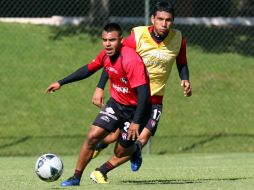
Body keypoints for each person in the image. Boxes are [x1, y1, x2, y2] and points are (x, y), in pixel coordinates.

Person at [89, 1, 192, 183]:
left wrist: (185, 79)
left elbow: (181, 62)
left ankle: (101, 171)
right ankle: (102, 143)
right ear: (153, 19)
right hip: (132, 98)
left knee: (141, 138)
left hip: (155, 99)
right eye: (160, 19)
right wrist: (100, 86)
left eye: (168, 20)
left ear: (173, 21)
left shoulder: (179, 39)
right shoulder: (138, 35)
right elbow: (113, 58)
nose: (164, 23)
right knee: (118, 135)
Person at [45, 23, 151, 186]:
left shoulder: (131, 60)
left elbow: (144, 95)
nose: (108, 44)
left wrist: (136, 122)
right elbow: (88, 69)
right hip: (116, 104)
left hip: (136, 110)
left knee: (121, 151)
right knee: (92, 136)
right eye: (104, 40)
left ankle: (135, 150)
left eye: (112, 40)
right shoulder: (106, 55)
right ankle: (76, 178)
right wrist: (61, 82)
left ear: (121, 40)